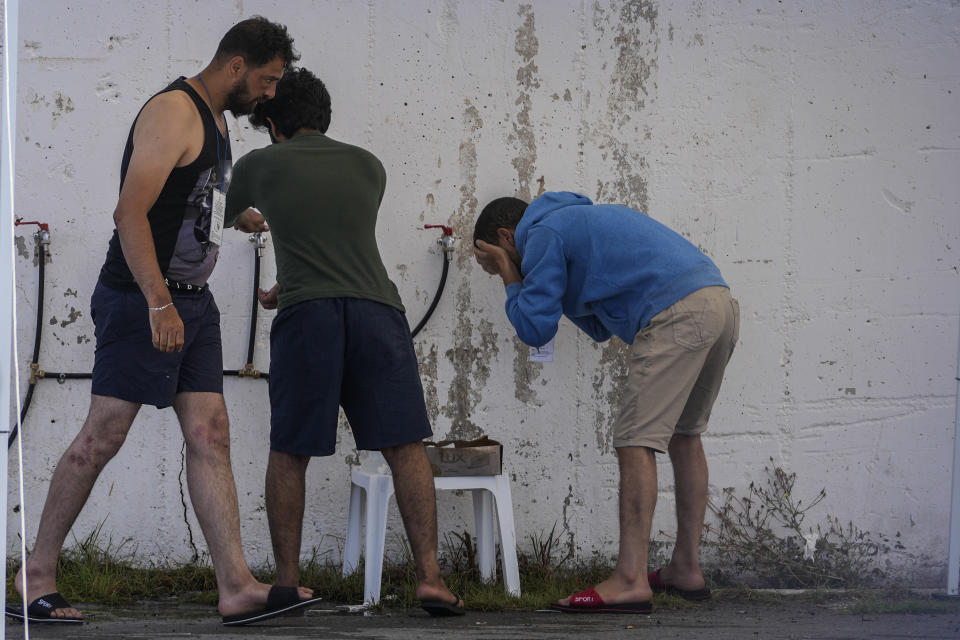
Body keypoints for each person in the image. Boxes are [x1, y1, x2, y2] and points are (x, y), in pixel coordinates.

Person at [8, 17, 322, 627]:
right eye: (267, 80)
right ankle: (34, 575)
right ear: (236, 66)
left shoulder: (218, 119)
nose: (270, 94)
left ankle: (235, 584)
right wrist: (157, 302)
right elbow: (130, 212)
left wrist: (237, 220)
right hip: (141, 298)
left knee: (210, 434)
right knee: (103, 436)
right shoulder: (175, 111)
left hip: (191, 301)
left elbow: (190, 201)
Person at [224, 67, 464, 617]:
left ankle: (287, 586)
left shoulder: (261, 163)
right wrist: (289, 278)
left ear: (272, 121)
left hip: (310, 317)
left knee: (291, 450)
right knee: (405, 445)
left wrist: (256, 221)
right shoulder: (367, 166)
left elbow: (231, 213)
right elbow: (336, 241)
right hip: (378, 310)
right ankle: (430, 578)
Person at [473, 192, 739, 614]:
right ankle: (685, 569)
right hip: (716, 301)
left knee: (635, 441)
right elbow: (598, 325)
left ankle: (630, 580)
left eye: (491, 262)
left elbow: (535, 329)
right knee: (684, 437)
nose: (496, 272)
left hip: (676, 311)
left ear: (507, 236)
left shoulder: (538, 234)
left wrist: (510, 274)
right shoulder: (572, 222)